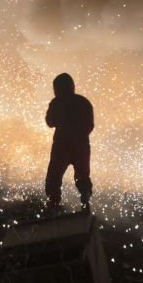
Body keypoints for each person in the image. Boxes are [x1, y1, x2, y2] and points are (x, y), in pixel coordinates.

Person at [45, 73, 94, 210]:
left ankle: (53, 205)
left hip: (61, 146)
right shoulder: (83, 102)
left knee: (53, 179)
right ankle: (85, 202)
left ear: (57, 89)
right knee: (82, 177)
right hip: (82, 146)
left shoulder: (56, 103)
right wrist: (80, 136)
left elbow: (50, 122)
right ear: (72, 86)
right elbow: (90, 125)